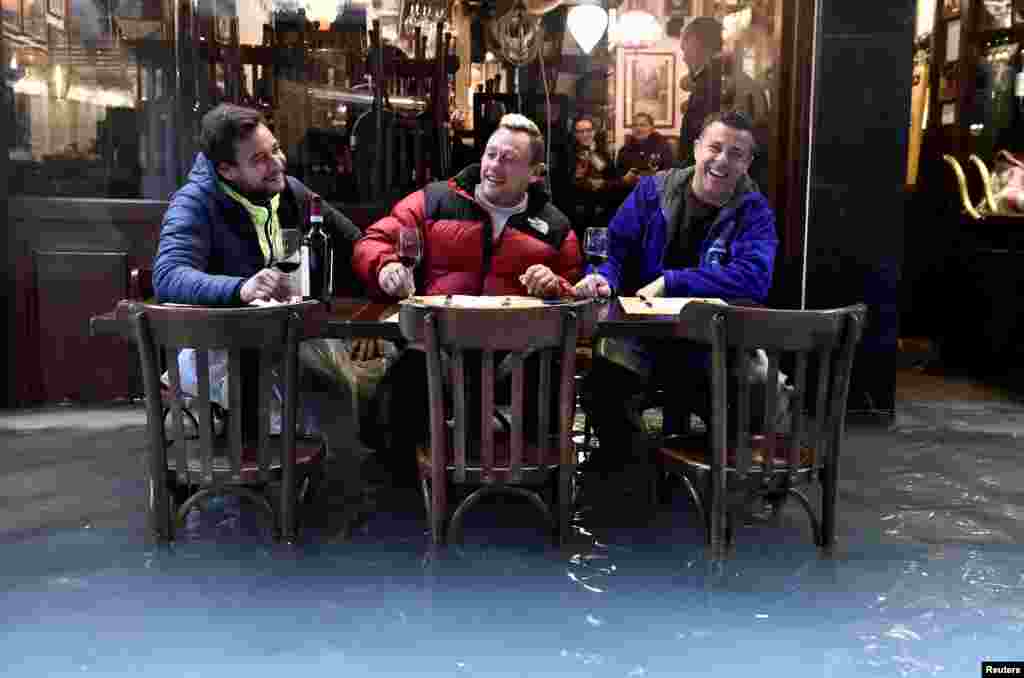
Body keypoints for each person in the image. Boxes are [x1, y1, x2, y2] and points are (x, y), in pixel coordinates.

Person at [153, 103, 377, 505]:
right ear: (227, 171)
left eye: (275, 149)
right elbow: (168, 274)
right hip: (219, 347)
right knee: (315, 386)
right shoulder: (195, 202)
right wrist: (240, 288)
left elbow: (355, 241)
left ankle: (312, 485)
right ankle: (277, 483)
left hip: (282, 334)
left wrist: (385, 266)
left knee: (337, 384)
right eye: (259, 159)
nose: (276, 163)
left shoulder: (287, 190)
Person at [353, 113, 582, 480]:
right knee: (399, 394)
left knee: (552, 381)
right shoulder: (435, 200)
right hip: (439, 348)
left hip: (515, 357)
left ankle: (535, 488)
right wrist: (383, 267)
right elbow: (373, 241)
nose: (493, 165)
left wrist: (556, 286)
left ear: (535, 173)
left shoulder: (556, 227)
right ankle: (407, 500)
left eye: (509, 159)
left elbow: (577, 296)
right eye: (491, 154)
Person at [574, 110, 778, 472]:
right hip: (644, 337)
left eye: (735, 153)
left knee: (759, 395)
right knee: (603, 386)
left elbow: (754, 278)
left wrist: (672, 282)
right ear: (697, 148)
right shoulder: (651, 192)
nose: (722, 160)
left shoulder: (754, 211)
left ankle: (713, 481)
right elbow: (615, 252)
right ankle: (636, 472)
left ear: (747, 163)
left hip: (713, 344)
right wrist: (604, 277)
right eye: (715, 147)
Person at [557, 115, 618, 243]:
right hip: (576, 214)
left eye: (588, 130)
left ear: (594, 132)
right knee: (578, 252)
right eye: (580, 131)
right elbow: (563, 184)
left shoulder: (603, 153)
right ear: (575, 134)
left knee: (597, 252)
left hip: (600, 212)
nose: (585, 134)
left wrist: (603, 183)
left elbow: (613, 179)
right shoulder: (567, 154)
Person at [616, 112, 675, 191]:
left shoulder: (663, 146)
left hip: (656, 191)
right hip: (631, 192)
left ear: (652, 128)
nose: (638, 128)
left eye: (643, 125)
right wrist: (625, 179)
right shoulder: (624, 150)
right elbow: (619, 177)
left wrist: (648, 177)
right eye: (635, 125)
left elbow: (670, 173)